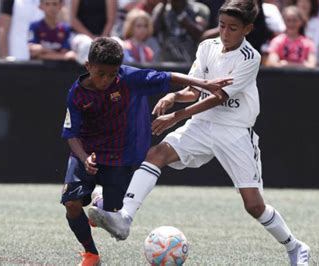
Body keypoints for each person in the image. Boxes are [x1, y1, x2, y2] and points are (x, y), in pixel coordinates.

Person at [88, 1, 310, 266]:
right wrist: (173, 96)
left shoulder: (251, 58)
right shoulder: (207, 47)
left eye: (233, 28)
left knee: (254, 206)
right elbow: (196, 89)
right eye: (222, 26)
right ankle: (124, 218)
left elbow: (218, 96)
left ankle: (295, 246)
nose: (225, 33)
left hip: (235, 132)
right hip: (201, 125)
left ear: (248, 29)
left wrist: (177, 116)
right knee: (156, 154)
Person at [60, 37, 232, 265]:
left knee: (114, 217)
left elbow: (169, 77)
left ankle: (101, 203)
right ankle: (91, 253)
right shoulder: (77, 93)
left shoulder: (128, 78)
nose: (105, 80)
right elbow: (71, 135)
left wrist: (205, 84)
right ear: (88, 66)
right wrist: (83, 158)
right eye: (100, 73)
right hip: (86, 153)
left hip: (118, 157)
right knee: (71, 204)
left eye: (111, 75)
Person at [292, 0, 319, 64]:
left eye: (307, 1)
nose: (304, 4)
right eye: (301, 1)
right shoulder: (288, 20)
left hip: (312, 66)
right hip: (291, 63)